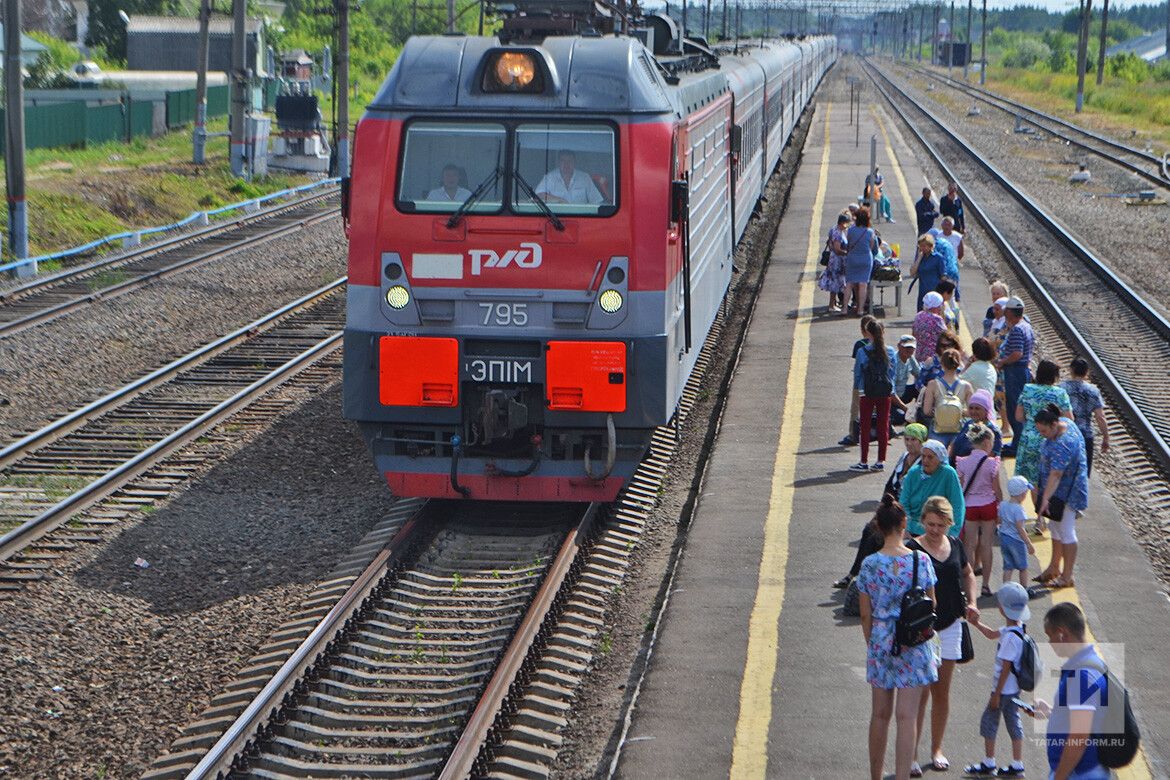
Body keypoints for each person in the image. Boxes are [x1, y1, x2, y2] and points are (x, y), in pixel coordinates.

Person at [857, 494, 939, 780]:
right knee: (907, 717)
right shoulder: (921, 560)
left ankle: (876, 776)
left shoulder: (869, 565)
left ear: (878, 526)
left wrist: (873, 641)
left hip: (881, 638)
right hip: (914, 641)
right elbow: (932, 604)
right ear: (905, 523)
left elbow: (865, 613)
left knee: (880, 714)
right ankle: (903, 775)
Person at [908, 496, 980, 776]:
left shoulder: (956, 545)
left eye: (940, 525)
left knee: (941, 693)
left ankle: (936, 748)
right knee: (920, 694)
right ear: (922, 521)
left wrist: (972, 602)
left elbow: (968, 573)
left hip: (951, 625)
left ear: (950, 524)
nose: (935, 530)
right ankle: (911, 752)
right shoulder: (913, 549)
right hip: (923, 630)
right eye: (930, 524)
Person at [834, 424, 929, 590]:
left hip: (908, 511)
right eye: (906, 439)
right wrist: (884, 504)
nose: (909, 443)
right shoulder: (904, 457)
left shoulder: (924, 463)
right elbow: (890, 483)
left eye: (913, 440)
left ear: (922, 442)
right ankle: (855, 573)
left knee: (876, 536)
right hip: (893, 505)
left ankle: (862, 576)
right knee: (869, 530)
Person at [1032, 603, 1111, 780]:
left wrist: (1059, 777)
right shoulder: (1090, 663)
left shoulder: (1082, 676)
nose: (1049, 643)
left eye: (1050, 636)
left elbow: (1079, 736)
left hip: (1080, 773)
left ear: (1061, 634)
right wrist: (1051, 712)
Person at [964, 583, 1032, 778]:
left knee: (989, 722)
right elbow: (992, 634)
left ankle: (989, 762)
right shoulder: (1017, 629)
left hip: (1003, 690)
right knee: (1013, 723)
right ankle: (1017, 764)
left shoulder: (1010, 638)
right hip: (1014, 690)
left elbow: (1005, 668)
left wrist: (996, 694)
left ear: (1002, 608)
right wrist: (976, 624)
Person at [1034, 404, 1090, 589]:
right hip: (1059, 491)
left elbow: (1056, 474)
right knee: (1056, 529)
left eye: (1043, 431)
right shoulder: (1065, 422)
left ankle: (1067, 576)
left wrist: (1044, 499)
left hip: (1066, 493)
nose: (1041, 434)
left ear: (1053, 425)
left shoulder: (1062, 444)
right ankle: (1053, 567)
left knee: (1066, 531)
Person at [1014, 360, 1073, 495]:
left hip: (1029, 440)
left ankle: (1038, 511)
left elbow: (1018, 416)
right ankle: (1046, 508)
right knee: (1050, 478)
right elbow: (1069, 419)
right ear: (1054, 376)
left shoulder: (1027, 389)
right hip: (1052, 440)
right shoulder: (1060, 393)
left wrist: (1031, 421)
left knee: (1032, 481)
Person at [853, 319, 898, 471]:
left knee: (864, 426)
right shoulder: (890, 351)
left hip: (867, 392)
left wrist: (858, 390)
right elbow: (892, 374)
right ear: (882, 332)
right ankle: (880, 461)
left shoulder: (862, 351)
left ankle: (864, 461)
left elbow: (858, 374)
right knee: (883, 426)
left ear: (868, 333)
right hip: (884, 392)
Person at [901, 439, 966, 538]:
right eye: (923, 456)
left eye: (930, 457)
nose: (925, 460)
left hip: (939, 530)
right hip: (912, 529)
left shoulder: (948, 473)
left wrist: (952, 533)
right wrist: (906, 527)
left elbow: (958, 505)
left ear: (940, 458)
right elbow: (903, 502)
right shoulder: (913, 472)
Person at [995, 298, 1035, 456]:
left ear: (1010, 312)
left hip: (1015, 372)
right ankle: (1017, 442)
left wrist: (1003, 361)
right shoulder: (1027, 326)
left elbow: (1018, 353)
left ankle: (1017, 445)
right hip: (1021, 371)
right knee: (1019, 407)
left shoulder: (1018, 329)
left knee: (1014, 408)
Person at [1060, 357, 1110, 476]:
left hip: (1066, 434)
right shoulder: (1093, 390)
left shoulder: (1062, 388)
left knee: (1065, 473)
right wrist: (1106, 437)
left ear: (1071, 370)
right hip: (1086, 435)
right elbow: (1100, 417)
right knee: (1082, 474)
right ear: (1087, 372)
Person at [921, 349, 974, 448]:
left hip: (938, 429)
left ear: (942, 364)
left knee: (936, 459)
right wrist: (959, 412)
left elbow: (926, 411)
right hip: (958, 429)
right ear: (958, 364)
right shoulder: (966, 386)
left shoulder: (933, 384)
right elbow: (972, 412)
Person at [842, 314, 878, 447]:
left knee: (856, 409)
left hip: (862, 382)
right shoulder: (881, 345)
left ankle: (853, 434)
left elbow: (857, 365)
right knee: (875, 408)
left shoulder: (859, 345)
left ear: (863, 330)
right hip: (877, 383)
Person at [999, 476, 1037, 587]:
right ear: (1022, 494)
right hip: (1016, 541)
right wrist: (1028, 543)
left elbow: (999, 520)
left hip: (1004, 538)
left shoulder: (1003, 505)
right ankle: (1024, 588)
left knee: (1008, 566)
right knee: (1023, 567)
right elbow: (1020, 528)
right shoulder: (1019, 509)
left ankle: (1005, 589)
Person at [949, 389, 1004, 461]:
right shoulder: (968, 424)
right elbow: (955, 444)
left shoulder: (993, 430)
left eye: (977, 408)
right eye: (971, 408)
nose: (973, 411)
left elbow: (991, 457)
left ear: (986, 410)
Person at [535, 149, 604, 205]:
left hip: (581, 217)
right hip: (556, 218)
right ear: (558, 162)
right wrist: (559, 200)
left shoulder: (585, 178)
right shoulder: (550, 177)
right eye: (563, 161)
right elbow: (538, 195)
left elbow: (597, 201)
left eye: (569, 161)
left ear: (574, 162)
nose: (566, 164)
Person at [844, 207, 879, 316]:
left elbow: (848, 244)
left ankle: (844, 308)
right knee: (863, 284)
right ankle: (860, 310)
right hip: (865, 259)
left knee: (849, 283)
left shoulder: (850, 230)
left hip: (852, 258)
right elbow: (872, 247)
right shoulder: (870, 232)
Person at [819, 213, 849, 312]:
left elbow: (830, 244)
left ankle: (833, 304)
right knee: (835, 284)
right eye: (846, 223)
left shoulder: (833, 229)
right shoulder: (838, 233)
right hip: (837, 261)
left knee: (835, 283)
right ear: (843, 223)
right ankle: (831, 306)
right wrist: (847, 252)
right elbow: (837, 249)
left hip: (833, 259)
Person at [911, 235, 946, 312]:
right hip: (923, 292)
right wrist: (919, 258)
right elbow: (912, 272)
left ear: (930, 246)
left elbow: (943, 276)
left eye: (924, 246)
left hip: (935, 291)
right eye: (920, 246)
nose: (922, 248)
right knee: (921, 312)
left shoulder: (938, 258)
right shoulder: (920, 258)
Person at [892, 336, 921, 426]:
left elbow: (919, 374)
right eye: (906, 347)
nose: (909, 350)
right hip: (892, 400)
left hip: (903, 393)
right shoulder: (894, 362)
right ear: (899, 346)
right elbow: (891, 392)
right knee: (901, 417)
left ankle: (921, 413)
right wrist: (906, 409)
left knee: (921, 388)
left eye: (911, 348)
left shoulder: (910, 358)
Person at [912, 291, 949, 363]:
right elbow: (947, 336)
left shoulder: (918, 316)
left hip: (919, 355)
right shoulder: (937, 319)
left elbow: (914, 334)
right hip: (933, 357)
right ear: (936, 306)